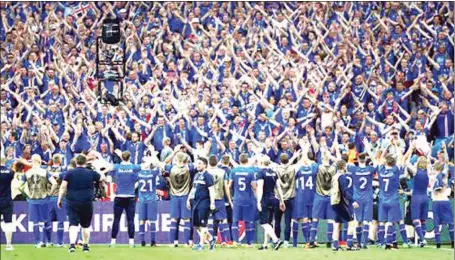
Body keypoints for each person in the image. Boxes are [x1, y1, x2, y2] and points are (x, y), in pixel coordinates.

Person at [58, 154, 105, 253]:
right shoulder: (90, 173)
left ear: (76, 162)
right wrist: (97, 169)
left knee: (73, 224)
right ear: (85, 162)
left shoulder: (69, 173)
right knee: (85, 225)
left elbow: (63, 186)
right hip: (86, 202)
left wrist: (59, 199)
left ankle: (72, 245)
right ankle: (86, 246)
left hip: (72, 202)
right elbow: (102, 178)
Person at [151, 150, 196, 247]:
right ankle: (187, 242)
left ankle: (173, 242)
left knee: (174, 220)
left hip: (174, 196)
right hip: (185, 196)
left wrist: (153, 153)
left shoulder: (171, 168)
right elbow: (200, 162)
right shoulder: (189, 168)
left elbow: (157, 163)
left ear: (176, 159)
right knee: (187, 220)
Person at [20, 155, 58, 248]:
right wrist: (50, 193)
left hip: (32, 199)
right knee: (46, 221)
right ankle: (48, 241)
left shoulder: (27, 173)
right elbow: (54, 183)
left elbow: (20, 186)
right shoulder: (45, 172)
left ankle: (37, 242)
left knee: (35, 222)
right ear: (40, 161)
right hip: (44, 198)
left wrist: (26, 195)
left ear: (32, 161)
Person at [107, 151, 143, 247]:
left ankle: (113, 241)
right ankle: (131, 242)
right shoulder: (134, 167)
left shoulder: (116, 167)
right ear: (130, 157)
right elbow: (146, 165)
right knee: (130, 220)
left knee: (116, 219)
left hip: (119, 197)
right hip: (130, 197)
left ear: (121, 158)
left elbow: (106, 166)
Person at [227, 153, 258, 247]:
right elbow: (254, 187)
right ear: (247, 161)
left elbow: (229, 186)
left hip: (237, 199)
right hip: (248, 199)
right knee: (248, 221)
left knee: (235, 221)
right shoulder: (251, 172)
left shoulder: (233, 171)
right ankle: (250, 243)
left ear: (239, 160)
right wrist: (257, 199)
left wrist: (230, 198)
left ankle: (236, 241)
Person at [255, 155, 285, 251]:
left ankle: (276, 240)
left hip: (265, 199)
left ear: (261, 163)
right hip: (274, 199)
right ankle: (265, 245)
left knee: (264, 223)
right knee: (268, 223)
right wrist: (282, 200)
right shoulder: (273, 173)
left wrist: (258, 201)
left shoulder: (260, 173)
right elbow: (278, 188)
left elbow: (260, 188)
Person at [308, 150, 336, 248]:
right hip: (330, 196)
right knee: (331, 219)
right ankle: (329, 241)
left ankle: (312, 240)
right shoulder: (334, 168)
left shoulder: (317, 167)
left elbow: (308, 161)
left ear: (321, 158)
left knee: (315, 218)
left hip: (319, 196)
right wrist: (331, 156)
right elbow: (340, 162)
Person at [187, 157, 216, 251]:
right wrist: (188, 199)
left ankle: (201, 244)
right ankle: (211, 239)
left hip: (204, 202)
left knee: (203, 225)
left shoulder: (208, 176)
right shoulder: (196, 175)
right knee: (196, 224)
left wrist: (212, 202)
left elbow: (212, 190)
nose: (197, 165)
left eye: (200, 163)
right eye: (197, 163)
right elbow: (193, 188)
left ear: (205, 165)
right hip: (195, 202)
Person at [348, 153, 376, 249]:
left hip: (357, 197)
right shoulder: (370, 169)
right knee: (366, 221)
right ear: (366, 159)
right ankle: (364, 243)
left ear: (358, 160)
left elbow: (343, 161)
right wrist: (368, 149)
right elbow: (376, 162)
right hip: (368, 197)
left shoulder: (354, 169)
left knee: (358, 221)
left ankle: (359, 243)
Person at [331, 159, 359, 251]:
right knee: (351, 222)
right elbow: (344, 191)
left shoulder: (334, 176)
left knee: (337, 224)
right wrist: (352, 201)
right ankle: (349, 245)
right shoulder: (342, 177)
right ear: (343, 167)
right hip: (340, 202)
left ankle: (335, 245)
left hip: (334, 202)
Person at [206, 155, 231, 245]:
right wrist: (230, 200)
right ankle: (224, 240)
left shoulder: (206, 172)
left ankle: (211, 239)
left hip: (208, 199)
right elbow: (226, 187)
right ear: (217, 162)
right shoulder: (222, 172)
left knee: (209, 220)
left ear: (208, 162)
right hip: (219, 198)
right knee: (222, 219)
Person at [137, 161, 162, 247]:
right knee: (152, 221)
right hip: (151, 200)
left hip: (142, 200)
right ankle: (153, 241)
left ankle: (142, 241)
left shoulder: (138, 173)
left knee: (142, 221)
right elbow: (160, 166)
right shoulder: (153, 173)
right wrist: (153, 159)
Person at [44, 154, 67, 247]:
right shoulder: (63, 170)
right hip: (59, 198)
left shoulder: (46, 170)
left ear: (53, 160)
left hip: (48, 198)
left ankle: (49, 241)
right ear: (60, 160)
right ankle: (60, 242)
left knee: (47, 220)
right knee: (60, 220)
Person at [407, 156, 430, 247]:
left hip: (416, 196)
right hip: (425, 196)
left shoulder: (416, 171)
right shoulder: (428, 172)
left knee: (415, 219)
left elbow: (407, 163)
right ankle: (422, 241)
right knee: (423, 219)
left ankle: (422, 239)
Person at [432, 162, 455, 249]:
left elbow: (435, 190)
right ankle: (453, 242)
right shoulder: (446, 179)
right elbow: (449, 192)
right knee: (450, 223)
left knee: (436, 223)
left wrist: (439, 190)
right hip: (445, 201)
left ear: (435, 169)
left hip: (436, 201)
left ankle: (438, 243)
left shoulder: (435, 178)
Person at [0, 157, 15, 251]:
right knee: (8, 223)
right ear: (4, 161)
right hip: (6, 200)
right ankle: (8, 245)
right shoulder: (10, 172)